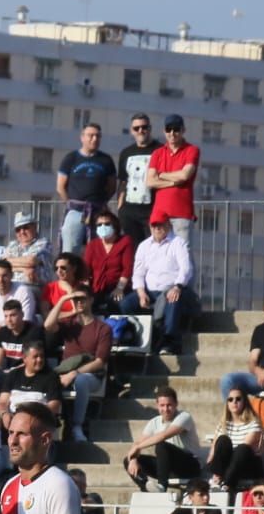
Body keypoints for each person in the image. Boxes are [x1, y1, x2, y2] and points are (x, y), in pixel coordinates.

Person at [46, 287, 112, 441]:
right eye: (76, 299)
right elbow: (48, 325)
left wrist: (75, 373)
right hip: (65, 372)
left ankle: (77, 426)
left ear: (91, 300)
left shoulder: (103, 328)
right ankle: (49, 426)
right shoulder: (69, 324)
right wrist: (63, 300)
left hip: (91, 375)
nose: (79, 302)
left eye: (82, 298)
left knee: (81, 380)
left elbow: (100, 362)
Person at [124, 212, 195, 353]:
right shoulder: (144, 246)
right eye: (154, 225)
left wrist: (177, 286)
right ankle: (134, 338)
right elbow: (138, 273)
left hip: (172, 288)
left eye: (160, 225)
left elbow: (186, 268)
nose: (157, 228)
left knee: (173, 300)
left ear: (168, 225)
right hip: (149, 290)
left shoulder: (178, 243)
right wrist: (141, 292)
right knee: (125, 304)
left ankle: (170, 341)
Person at [56, 123, 118, 256]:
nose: (94, 139)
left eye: (98, 136)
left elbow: (112, 186)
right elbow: (60, 186)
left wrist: (101, 202)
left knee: (100, 249)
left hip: (98, 212)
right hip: (75, 211)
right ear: (82, 137)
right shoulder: (71, 158)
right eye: (91, 135)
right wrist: (70, 204)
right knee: (71, 249)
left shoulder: (106, 160)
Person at [123, 387, 201, 492]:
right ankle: (146, 487)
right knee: (127, 460)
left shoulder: (184, 417)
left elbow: (163, 435)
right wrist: (133, 459)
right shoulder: (154, 422)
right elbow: (138, 442)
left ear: (176, 404)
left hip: (189, 465)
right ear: (157, 406)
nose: (166, 409)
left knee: (161, 445)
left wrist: (138, 447)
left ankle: (162, 486)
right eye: (162, 405)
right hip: (167, 466)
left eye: (169, 405)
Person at [145, 114, 200, 244]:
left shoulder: (192, 150)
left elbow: (185, 175)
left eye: (176, 129)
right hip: (159, 214)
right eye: (168, 129)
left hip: (181, 214)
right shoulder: (157, 153)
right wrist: (173, 181)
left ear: (183, 130)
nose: (172, 133)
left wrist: (162, 174)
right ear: (164, 131)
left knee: (183, 256)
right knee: (159, 254)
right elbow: (150, 181)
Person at [116, 112, 162, 242]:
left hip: (152, 211)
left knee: (154, 248)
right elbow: (123, 182)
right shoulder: (126, 153)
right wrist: (120, 209)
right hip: (129, 212)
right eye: (136, 128)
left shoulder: (160, 150)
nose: (141, 130)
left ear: (150, 129)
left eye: (144, 127)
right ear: (132, 131)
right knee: (133, 250)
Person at [208, 388, 264, 491]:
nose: (234, 402)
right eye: (230, 399)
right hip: (227, 466)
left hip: (247, 466)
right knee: (222, 440)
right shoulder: (223, 424)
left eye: (238, 399)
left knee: (242, 449)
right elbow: (213, 453)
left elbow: (243, 451)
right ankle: (218, 481)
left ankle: (226, 484)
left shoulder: (254, 423)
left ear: (244, 402)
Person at [83, 209, 135, 313]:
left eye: (107, 224)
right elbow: (85, 269)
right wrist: (86, 290)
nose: (103, 227)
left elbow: (127, 268)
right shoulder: (92, 245)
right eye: (99, 224)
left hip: (119, 287)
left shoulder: (125, 241)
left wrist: (119, 288)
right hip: (97, 289)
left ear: (114, 225)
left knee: (117, 304)